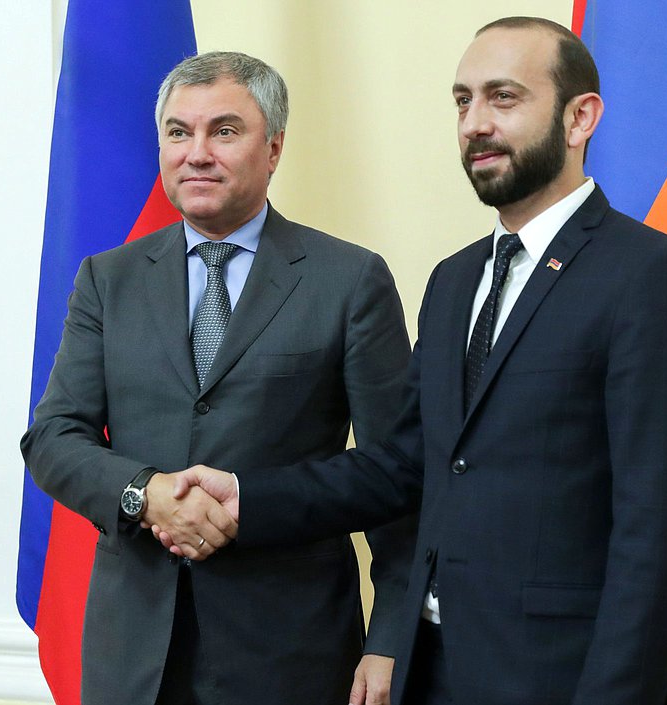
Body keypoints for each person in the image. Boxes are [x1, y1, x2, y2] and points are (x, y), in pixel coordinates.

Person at [158, 18, 667, 705]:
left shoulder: (651, 278)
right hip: (430, 674)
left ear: (581, 118)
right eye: (463, 101)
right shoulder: (455, 281)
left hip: (559, 681)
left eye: (504, 98)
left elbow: (659, 533)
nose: (475, 123)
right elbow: (400, 467)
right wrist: (247, 496)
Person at [21, 51, 416, 705]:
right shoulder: (107, 279)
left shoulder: (349, 281)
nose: (196, 152)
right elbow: (54, 439)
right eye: (179, 132)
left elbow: (398, 474)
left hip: (291, 652)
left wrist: (390, 638)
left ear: (274, 148)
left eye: (224, 131)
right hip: (134, 655)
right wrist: (143, 494)